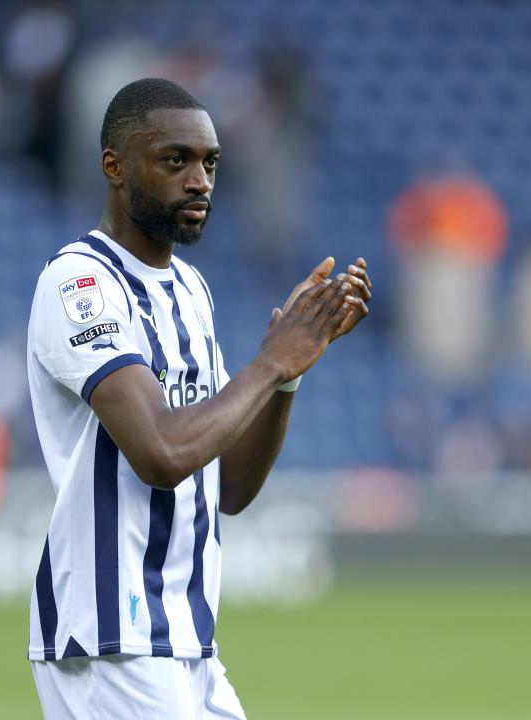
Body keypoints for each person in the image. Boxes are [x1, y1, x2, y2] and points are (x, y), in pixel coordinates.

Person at [25, 78, 371, 719]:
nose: (200, 180)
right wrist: (270, 360)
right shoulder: (82, 284)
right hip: (115, 636)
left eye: (210, 162)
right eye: (175, 160)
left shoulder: (190, 289)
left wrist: (287, 375)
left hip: (189, 638)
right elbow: (159, 452)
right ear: (115, 166)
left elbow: (229, 489)